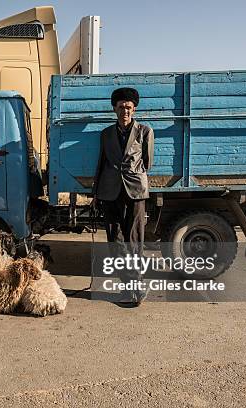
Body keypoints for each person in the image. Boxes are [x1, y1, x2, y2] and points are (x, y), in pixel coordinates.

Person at [92, 87, 154, 307]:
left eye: (128, 107)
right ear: (114, 109)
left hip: (135, 192)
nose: (125, 111)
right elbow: (101, 164)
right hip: (109, 192)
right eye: (120, 107)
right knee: (116, 241)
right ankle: (129, 287)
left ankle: (137, 286)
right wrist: (96, 193)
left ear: (134, 108)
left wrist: (131, 175)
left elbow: (147, 162)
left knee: (135, 241)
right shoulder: (106, 134)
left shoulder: (145, 131)